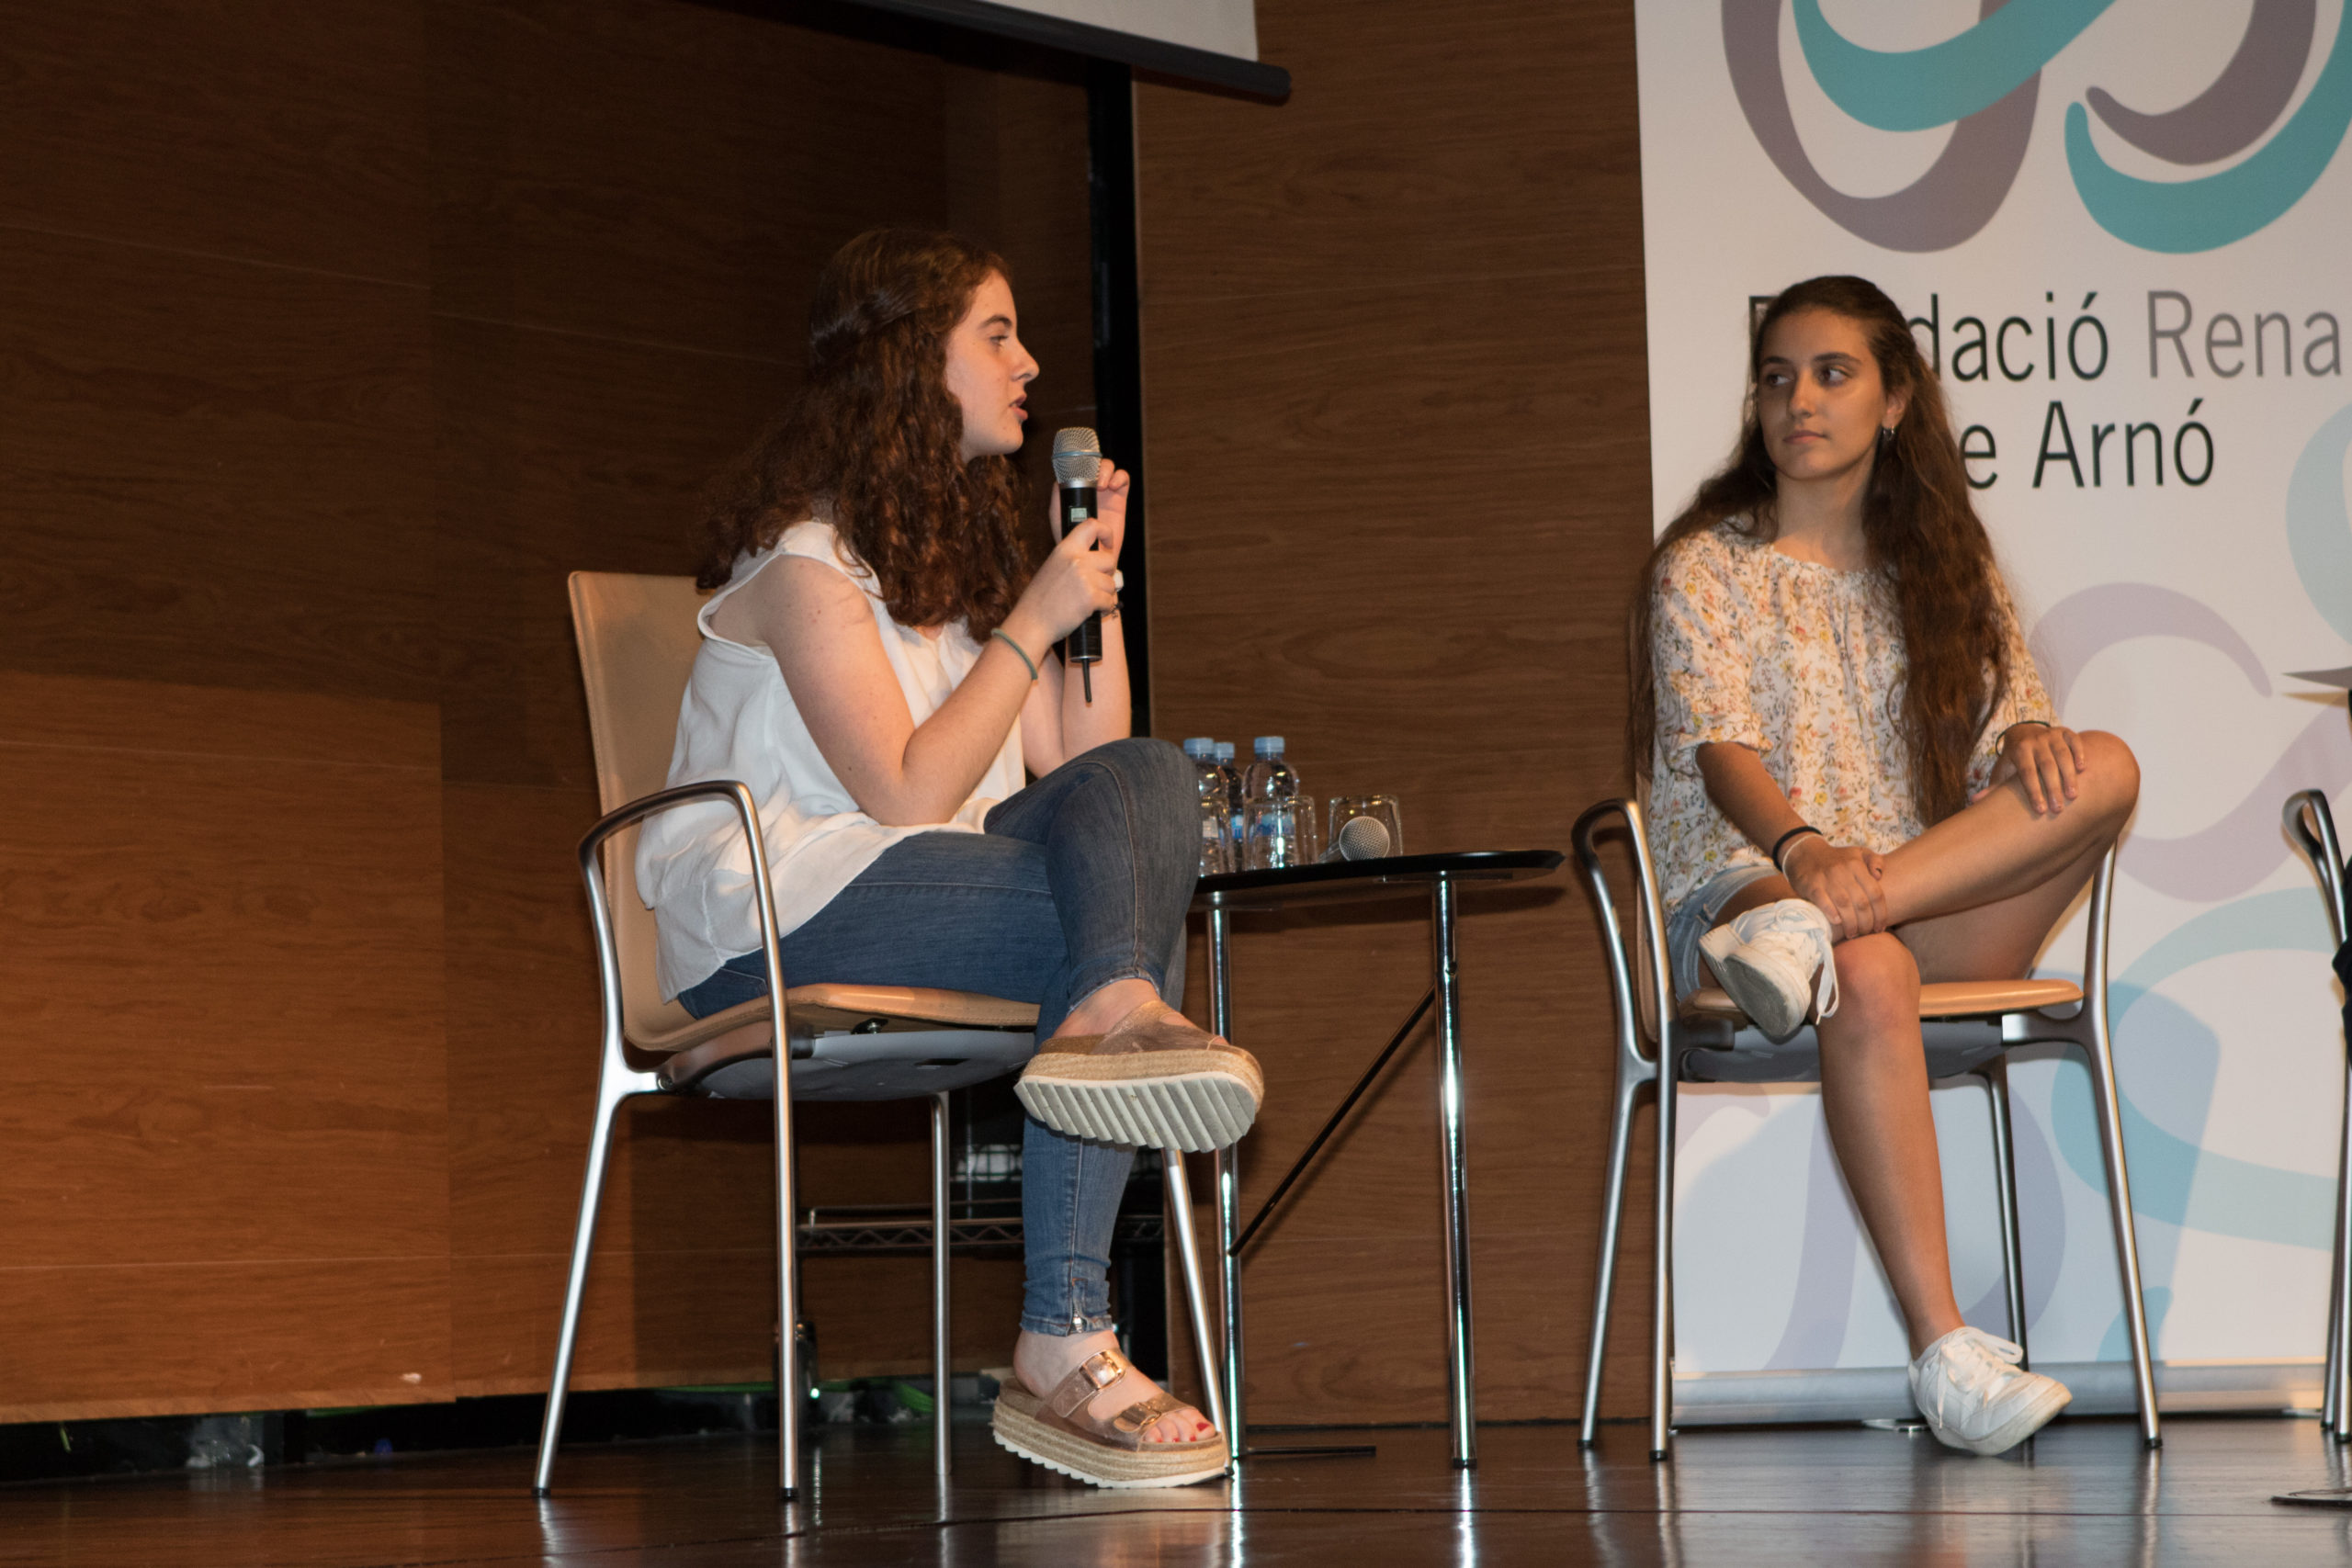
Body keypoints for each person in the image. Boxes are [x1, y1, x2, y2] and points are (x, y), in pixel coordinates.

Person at [635, 229, 1259, 1489]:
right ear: (911, 361)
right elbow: (909, 792)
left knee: (1149, 783)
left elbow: (1090, 766)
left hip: (937, 893)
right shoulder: (803, 567)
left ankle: (1108, 1023)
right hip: (773, 917)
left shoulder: (951, 579)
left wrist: (1090, 601)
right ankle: (1068, 1327)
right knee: (1103, 929)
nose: (1029, 365)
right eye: (997, 334)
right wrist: (1032, 617)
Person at [1633, 275, 2142, 1457]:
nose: (1797, 401)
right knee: (1864, 971)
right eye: (1776, 378)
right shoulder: (1704, 566)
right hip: (1744, 896)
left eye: (1831, 373)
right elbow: (1720, 757)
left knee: (2104, 765)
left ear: (1896, 398)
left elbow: (2015, 743)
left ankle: (1829, 927)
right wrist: (1806, 855)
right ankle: (1944, 1353)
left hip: (1899, 906)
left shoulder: (1946, 573)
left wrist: (2030, 734)